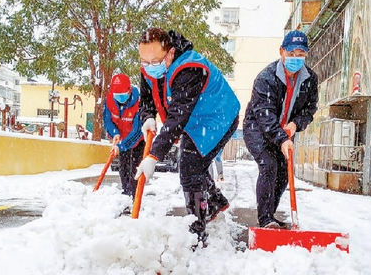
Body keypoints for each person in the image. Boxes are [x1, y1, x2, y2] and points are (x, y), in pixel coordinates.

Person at [135, 27, 240, 246]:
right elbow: (146, 97)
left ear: (170, 53)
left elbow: (177, 116)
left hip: (218, 117)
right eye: (144, 61)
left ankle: (197, 230)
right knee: (193, 165)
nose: (148, 67)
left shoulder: (189, 69)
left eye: (154, 61)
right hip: (195, 119)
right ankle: (214, 202)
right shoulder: (151, 66)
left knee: (190, 167)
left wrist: (154, 155)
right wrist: (147, 117)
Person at [243, 30, 319, 228]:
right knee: (269, 165)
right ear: (281, 52)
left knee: (284, 173)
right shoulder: (266, 78)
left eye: (301, 54)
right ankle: (265, 219)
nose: (296, 58)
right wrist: (281, 138)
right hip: (257, 128)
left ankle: (270, 215)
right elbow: (264, 114)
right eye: (291, 53)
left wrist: (295, 124)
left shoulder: (310, 79)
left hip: (286, 131)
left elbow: (309, 108)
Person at [103, 73, 145, 199]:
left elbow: (137, 130)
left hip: (137, 140)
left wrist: (121, 146)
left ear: (129, 90)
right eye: (117, 94)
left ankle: (134, 196)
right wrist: (115, 133)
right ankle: (126, 193)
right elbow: (108, 120)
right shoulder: (110, 100)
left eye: (122, 94)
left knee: (135, 169)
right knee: (124, 167)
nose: (119, 97)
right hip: (121, 137)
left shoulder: (139, 102)